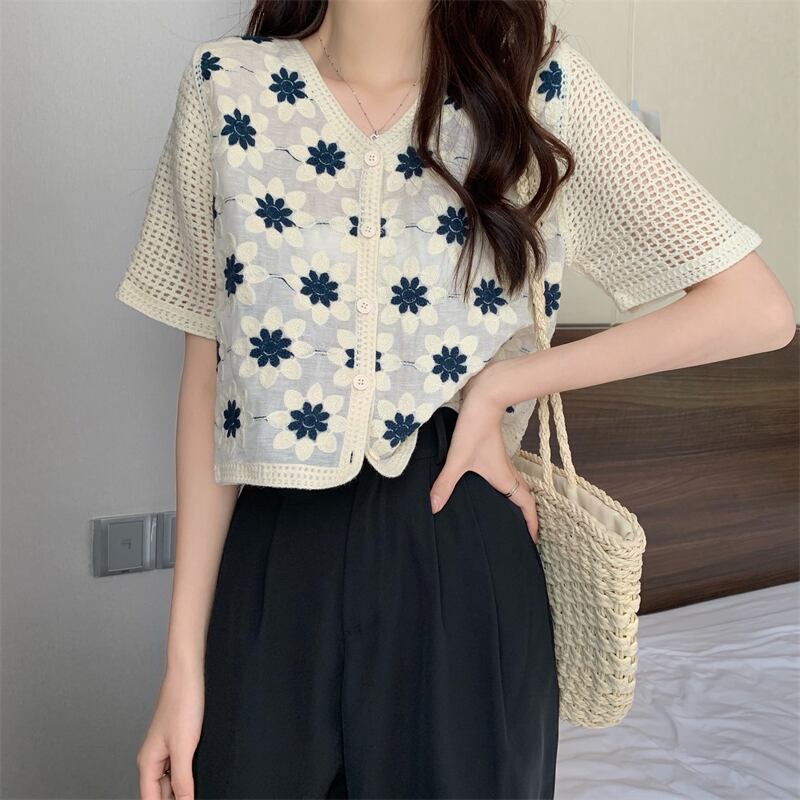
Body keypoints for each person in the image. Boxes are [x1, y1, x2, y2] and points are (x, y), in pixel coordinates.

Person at [116, 1, 794, 799]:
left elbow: (756, 310)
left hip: (458, 545)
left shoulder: (535, 85)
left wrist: (506, 383)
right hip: (272, 561)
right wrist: (182, 667)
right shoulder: (227, 86)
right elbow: (208, 382)